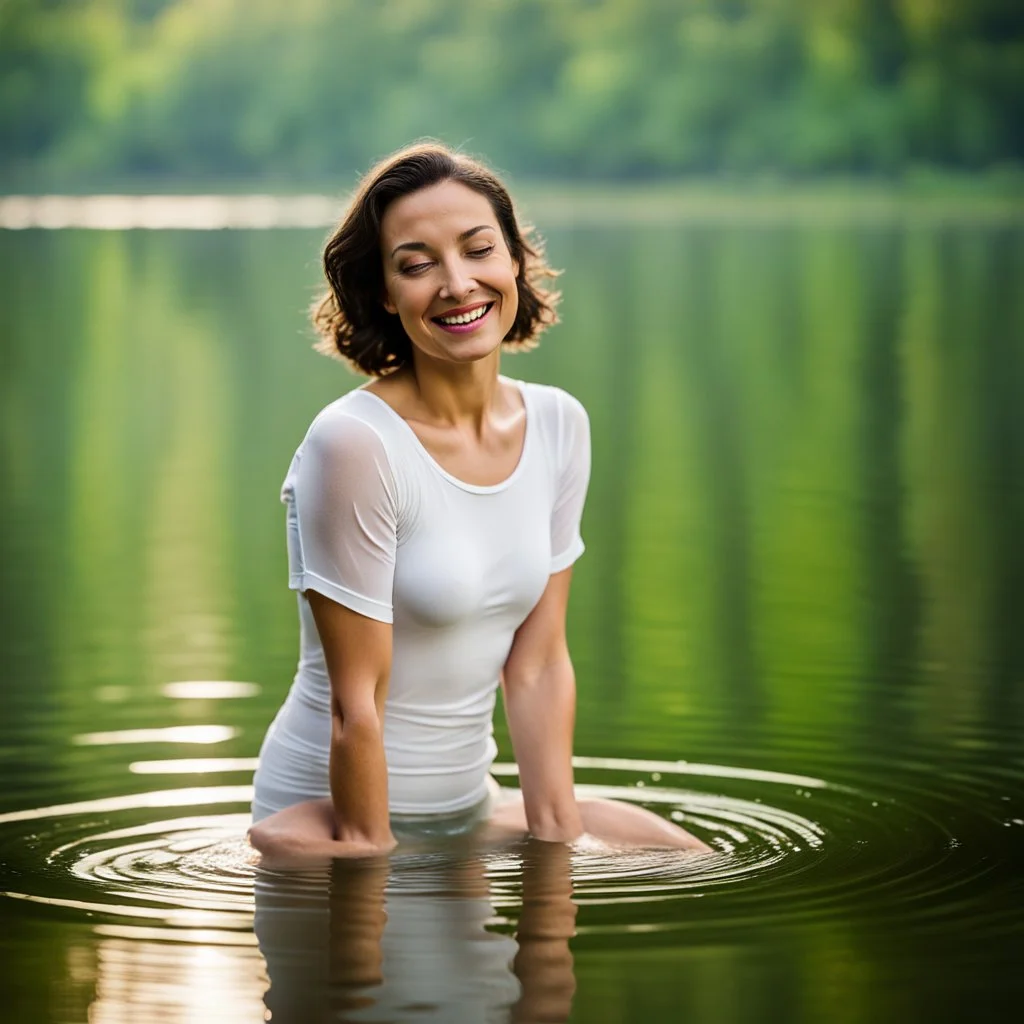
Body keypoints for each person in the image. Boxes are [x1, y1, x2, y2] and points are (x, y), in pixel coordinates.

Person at [248, 142, 709, 860]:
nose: (458, 284)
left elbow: (539, 666)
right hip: (340, 820)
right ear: (382, 292)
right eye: (417, 263)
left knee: (691, 858)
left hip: (468, 808)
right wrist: (369, 860)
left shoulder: (558, 425)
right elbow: (354, 705)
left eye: (477, 249)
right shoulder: (354, 445)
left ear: (515, 261)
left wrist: (558, 851)